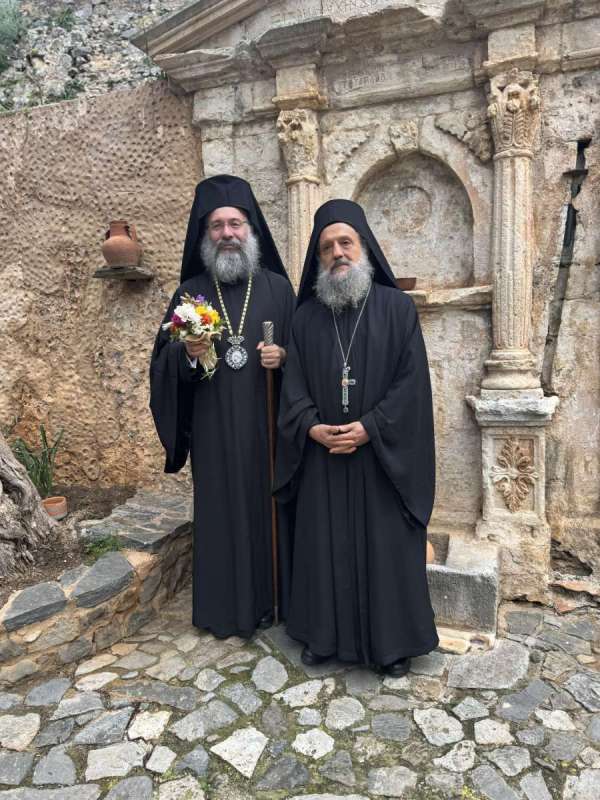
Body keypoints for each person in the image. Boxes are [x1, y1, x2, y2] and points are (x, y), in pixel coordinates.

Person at [274, 199, 438, 676]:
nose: (337, 253)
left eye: (345, 242)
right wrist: (311, 426)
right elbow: (293, 385)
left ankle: (392, 646)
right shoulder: (305, 318)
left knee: (384, 549)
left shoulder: (397, 308)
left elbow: (412, 385)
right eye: (327, 247)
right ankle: (322, 637)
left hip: (379, 459)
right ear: (318, 257)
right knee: (323, 546)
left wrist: (371, 427)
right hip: (323, 455)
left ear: (364, 247)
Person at [150, 174, 295, 639]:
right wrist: (187, 355)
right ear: (205, 234)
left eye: (235, 224)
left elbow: (308, 355)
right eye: (217, 226)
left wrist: (284, 358)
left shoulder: (277, 289)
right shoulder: (189, 293)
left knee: (267, 509)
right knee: (220, 514)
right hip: (213, 431)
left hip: (267, 430)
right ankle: (224, 609)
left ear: (251, 230)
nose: (227, 233)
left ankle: (273, 601)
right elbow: (161, 364)